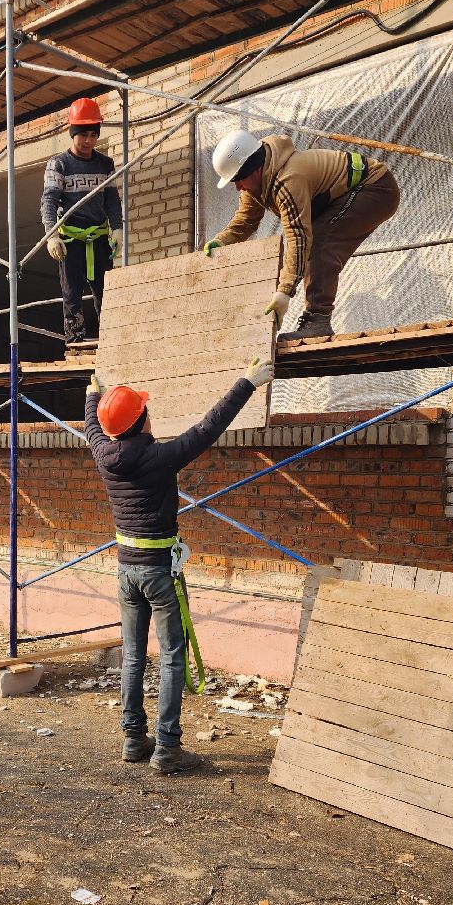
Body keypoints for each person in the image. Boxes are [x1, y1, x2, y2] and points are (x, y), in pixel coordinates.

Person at [85, 356, 277, 774]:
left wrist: (92, 394)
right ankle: (167, 748)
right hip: (158, 572)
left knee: (134, 656)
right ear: (142, 421)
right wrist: (246, 382)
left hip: (125, 570)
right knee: (173, 656)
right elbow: (208, 428)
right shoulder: (161, 457)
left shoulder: (104, 454)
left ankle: (134, 739)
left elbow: (92, 426)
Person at [203, 130, 400, 342]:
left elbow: (298, 238)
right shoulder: (254, 185)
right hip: (344, 194)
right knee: (316, 238)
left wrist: (284, 292)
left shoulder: (289, 180)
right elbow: (246, 220)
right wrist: (223, 240)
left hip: (375, 188)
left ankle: (318, 321)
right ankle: (316, 319)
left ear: (255, 169)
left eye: (238, 179)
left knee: (319, 243)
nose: (237, 187)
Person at [42, 98, 124, 346]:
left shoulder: (105, 164)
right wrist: (51, 235)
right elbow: (49, 200)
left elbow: (112, 199)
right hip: (71, 238)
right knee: (71, 293)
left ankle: (109, 339)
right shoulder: (59, 165)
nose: (88, 141)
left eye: (93, 135)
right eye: (82, 135)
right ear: (72, 133)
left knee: (105, 291)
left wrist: (117, 227)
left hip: (98, 237)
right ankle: (75, 340)